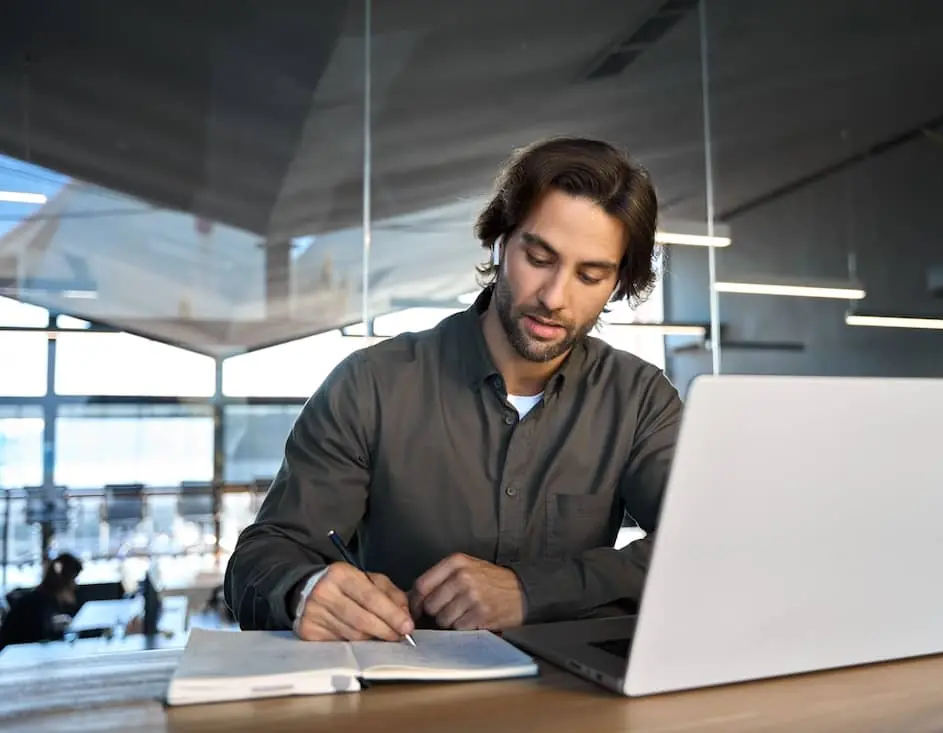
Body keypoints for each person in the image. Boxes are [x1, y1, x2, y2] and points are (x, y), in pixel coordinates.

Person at [223, 136, 682, 642]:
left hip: (575, 701)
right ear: (500, 240)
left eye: (590, 276)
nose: (555, 298)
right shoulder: (373, 384)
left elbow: (703, 546)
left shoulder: (640, 400)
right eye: (539, 257)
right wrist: (304, 590)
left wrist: (531, 590)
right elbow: (262, 557)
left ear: (617, 284)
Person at [0, 552, 83, 650]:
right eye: (73, 580)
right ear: (64, 582)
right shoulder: (35, 605)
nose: (75, 586)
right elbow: (36, 640)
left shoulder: (41, 600)